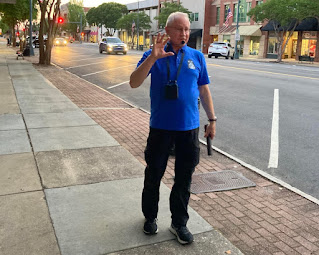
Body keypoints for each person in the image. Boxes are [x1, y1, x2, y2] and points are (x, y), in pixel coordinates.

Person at [129, 12, 216, 245]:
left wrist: (212, 119)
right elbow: (133, 82)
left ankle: (179, 223)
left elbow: (204, 90)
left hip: (189, 129)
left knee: (184, 178)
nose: (184, 34)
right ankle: (150, 217)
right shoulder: (153, 54)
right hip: (160, 128)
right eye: (179, 29)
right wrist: (152, 59)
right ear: (167, 31)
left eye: (187, 29)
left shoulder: (197, 56)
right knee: (154, 174)